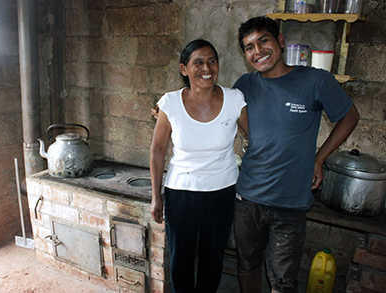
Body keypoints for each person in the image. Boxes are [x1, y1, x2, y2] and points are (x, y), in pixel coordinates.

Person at [232, 16, 359, 293]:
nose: (257, 51)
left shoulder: (315, 80)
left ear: (280, 41)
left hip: (289, 204)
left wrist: (319, 158)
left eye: (263, 40)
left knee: (283, 280)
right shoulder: (245, 85)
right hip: (247, 198)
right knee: (246, 265)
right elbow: (216, 108)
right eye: (249, 47)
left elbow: (349, 116)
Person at [150, 39, 247, 292]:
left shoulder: (235, 99)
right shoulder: (170, 103)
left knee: (212, 258)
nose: (207, 67)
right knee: (181, 258)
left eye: (212, 61)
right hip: (181, 192)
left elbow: (256, 138)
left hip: (222, 191)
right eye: (199, 62)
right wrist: (155, 196)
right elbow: (158, 150)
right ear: (184, 69)